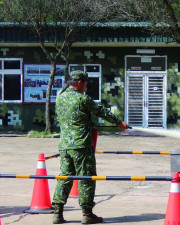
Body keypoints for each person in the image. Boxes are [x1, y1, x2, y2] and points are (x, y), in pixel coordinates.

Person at [52, 70, 129, 224]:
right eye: (86, 84)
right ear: (80, 83)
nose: (86, 87)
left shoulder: (60, 98)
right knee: (86, 177)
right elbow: (101, 111)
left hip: (65, 146)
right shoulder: (82, 99)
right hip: (81, 146)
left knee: (65, 177)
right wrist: (119, 123)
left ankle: (57, 213)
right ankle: (87, 214)